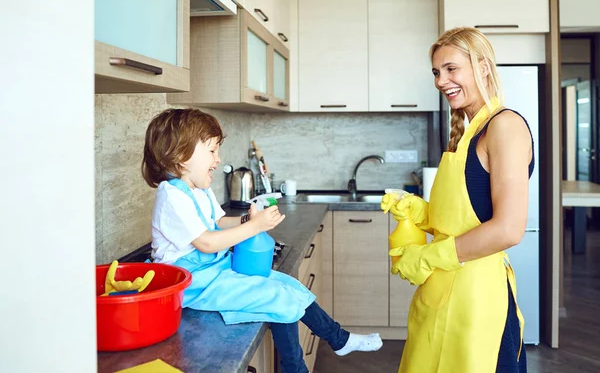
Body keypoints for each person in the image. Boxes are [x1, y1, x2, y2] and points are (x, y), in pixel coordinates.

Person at [142, 108, 382, 373]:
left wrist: (249, 219)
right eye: (211, 151)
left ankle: (339, 339)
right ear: (180, 154)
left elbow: (219, 223)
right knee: (277, 297)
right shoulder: (171, 196)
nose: (218, 159)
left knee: (289, 285)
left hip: (215, 273)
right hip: (193, 284)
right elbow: (207, 243)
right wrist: (255, 226)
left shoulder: (199, 189)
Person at [381, 27, 533, 373]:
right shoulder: (467, 132)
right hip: (443, 290)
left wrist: (429, 256)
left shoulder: (504, 126)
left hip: (479, 299)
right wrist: (420, 211)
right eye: (436, 72)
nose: (440, 80)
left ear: (482, 66)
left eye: (451, 69)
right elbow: (464, 216)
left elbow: (508, 229)